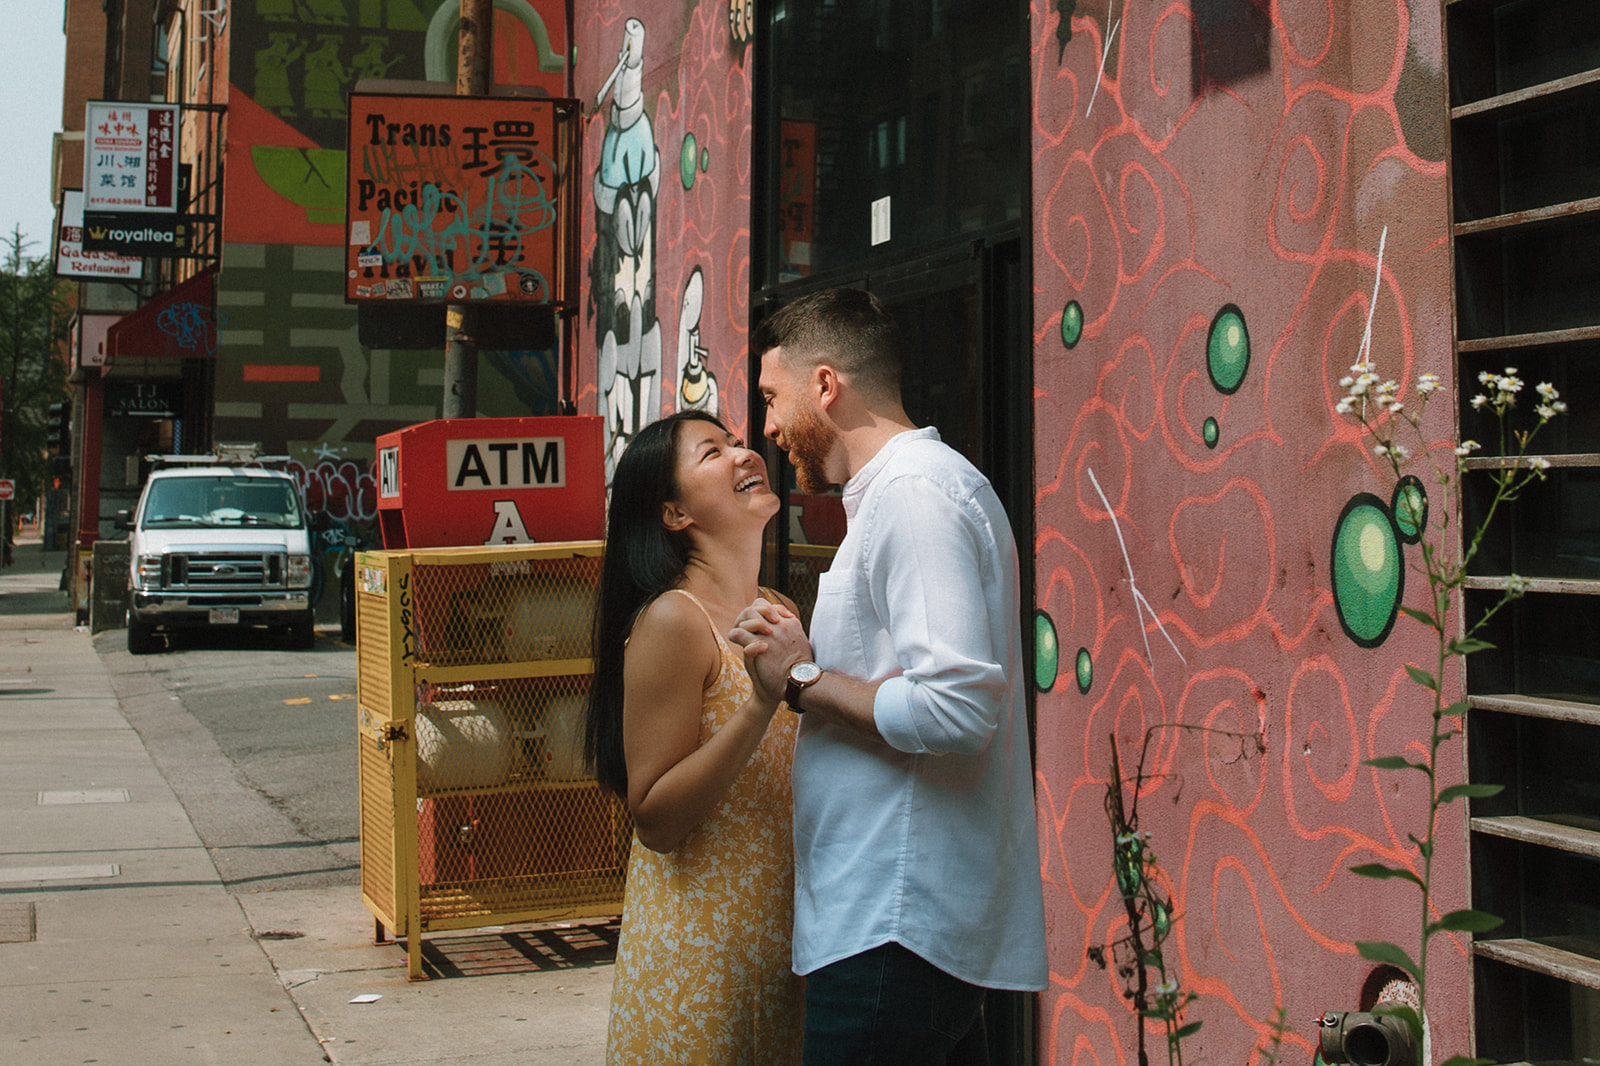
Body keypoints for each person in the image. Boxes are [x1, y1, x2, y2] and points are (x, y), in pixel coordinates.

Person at [730, 288, 1047, 1065]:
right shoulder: (905, 493)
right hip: (897, 922)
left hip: (894, 925)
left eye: (772, 397)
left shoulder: (913, 495)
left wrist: (801, 679)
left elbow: (958, 707)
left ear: (826, 385)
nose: (767, 427)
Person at [583, 410, 805, 1065]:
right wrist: (761, 703)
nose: (745, 455)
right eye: (714, 452)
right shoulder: (674, 621)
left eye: (738, 443)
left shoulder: (778, 610)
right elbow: (653, 815)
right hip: (698, 972)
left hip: (778, 955)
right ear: (676, 512)